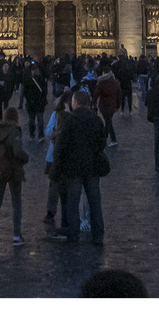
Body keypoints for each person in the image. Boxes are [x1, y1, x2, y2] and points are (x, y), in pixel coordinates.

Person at [52, 89, 107, 245]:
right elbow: (102, 143)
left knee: (73, 203)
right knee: (95, 203)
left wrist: (56, 169)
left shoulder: (70, 120)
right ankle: (98, 235)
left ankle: (73, 234)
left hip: (74, 168)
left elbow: (61, 147)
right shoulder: (96, 120)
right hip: (92, 168)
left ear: (75, 102)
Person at [0, 106, 29, 245]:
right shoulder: (14, 131)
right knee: (16, 203)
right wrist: (25, 158)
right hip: (13, 170)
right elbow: (17, 151)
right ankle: (16, 236)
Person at [42, 91, 72, 231]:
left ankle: (67, 215)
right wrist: (55, 132)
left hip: (68, 157)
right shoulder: (56, 115)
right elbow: (48, 132)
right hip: (54, 156)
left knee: (66, 188)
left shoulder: (74, 117)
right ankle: (51, 211)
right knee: (54, 186)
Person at [94, 65, 121, 144]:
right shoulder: (116, 82)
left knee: (108, 121)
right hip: (113, 104)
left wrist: (94, 103)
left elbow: (96, 94)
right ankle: (105, 137)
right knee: (108, 121)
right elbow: (119, 95)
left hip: (104, 104)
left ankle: (112, 138)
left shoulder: (101, 82)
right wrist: (118, 105)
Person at [21, 65, 47, 140]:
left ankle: (37, 134)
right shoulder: (29, 80)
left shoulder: (39, 79)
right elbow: (25, 92)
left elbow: (44, 91)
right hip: (35, 103)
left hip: (35, 103)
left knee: (37, 120)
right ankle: (35, 134)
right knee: (35, 120)